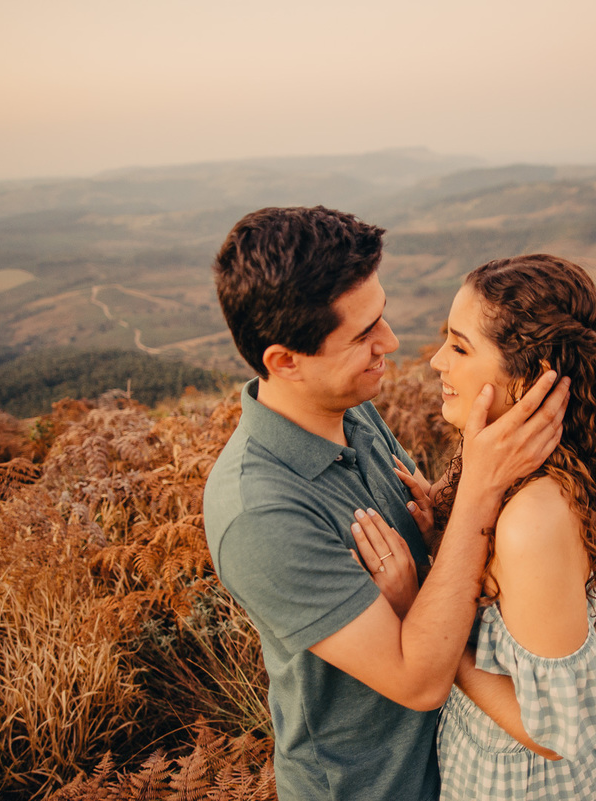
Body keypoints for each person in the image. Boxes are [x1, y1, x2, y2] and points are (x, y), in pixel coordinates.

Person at [201, 206, 570, 801]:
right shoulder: (259, 515)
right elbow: (417, 681)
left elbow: (435, 569)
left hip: (461, 765)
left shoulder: (353, 410)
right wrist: (479, 488)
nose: (391, 343)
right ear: (284, 361)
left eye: (382, 316)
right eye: (362, 334)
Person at [354, 254, 596, 800]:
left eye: (460, 347)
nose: (436, 361)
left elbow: (553, 733)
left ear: (527, 376)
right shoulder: (514, 483)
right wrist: (444, 542)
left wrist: (416, 616)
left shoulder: (533, 516)